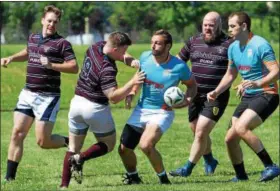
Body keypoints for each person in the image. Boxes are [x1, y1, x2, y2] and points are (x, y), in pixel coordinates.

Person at [1, 5, 78, 181]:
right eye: (49, 20)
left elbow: (74, 67)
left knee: (43, 142)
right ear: (43, 20)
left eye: (55, 22)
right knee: (17, 133)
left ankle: (69, 142)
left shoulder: (62, 44)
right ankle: (9, 178)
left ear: (57, 24)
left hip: (47, 97)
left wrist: (52, 65)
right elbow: (28, 52)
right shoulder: (33, 38)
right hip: (27, 93)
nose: (51, 24)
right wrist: (11, 58)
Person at [60, 31, 146, 188]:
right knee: (109, 143)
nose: (124, 53)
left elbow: (121, 55)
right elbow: (113, 97)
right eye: (123, 50)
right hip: (94, 108)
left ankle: (63, 186)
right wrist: (132, 82)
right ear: (115, 49)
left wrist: (131, 60)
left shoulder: (95, 47)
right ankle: (81, 158)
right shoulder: (107, 69)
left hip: (76, 104)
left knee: (72, 147)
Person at [207, 11, 280, 182]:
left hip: (267, 94)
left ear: (244, 26)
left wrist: (258, 83)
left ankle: (271, 166)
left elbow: (276, 72)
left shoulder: (260, 45)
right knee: (229, 139)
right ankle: (241, 176)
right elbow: (230, 75)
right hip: (248, 97)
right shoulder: (233, 47)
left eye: (232, 26)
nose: (229, 29)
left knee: (240, 127)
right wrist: (216, 91)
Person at [118, 29, 197, 185]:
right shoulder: (145, 57)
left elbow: (192, 85)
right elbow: (139, 78)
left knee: (146, 145)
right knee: (123, 149)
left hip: (162, 111)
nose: (153, 46)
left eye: (158, 43)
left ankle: (163, 180)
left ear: (168, 46)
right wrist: (133, 92)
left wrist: (187, 101)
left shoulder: (179, 66)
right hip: (141, 109)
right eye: (152, 42)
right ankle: (133, 177)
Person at [169, 11, 233, 177]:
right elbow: (179, 61)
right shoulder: (193, 41)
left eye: (211, 25)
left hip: (216, 97)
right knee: (196, 130)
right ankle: (210, 159)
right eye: (205, 25)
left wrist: (218, 90)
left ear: (219, 25)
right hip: (194, 94)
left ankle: (187, 169)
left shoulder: (229, 44)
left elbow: (232, 72)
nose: (207, 28)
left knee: (201, 132)